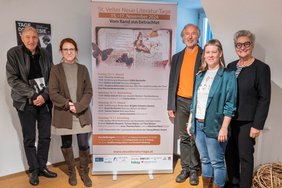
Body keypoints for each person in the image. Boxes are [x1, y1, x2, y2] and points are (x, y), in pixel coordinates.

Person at [6, 26, 57, 186]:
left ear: (38, 38)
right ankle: (33, 170)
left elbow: (53, 77)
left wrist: (45, 95)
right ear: (22, 38)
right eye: (27, 37)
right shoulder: (14, 53)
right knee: (29, 139)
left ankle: (42, 167)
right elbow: (13, 79)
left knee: (45, 137)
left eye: (34, 37)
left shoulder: (45, 54)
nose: (31, 40)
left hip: (45, 101)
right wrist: (34, 95)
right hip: (25, 103)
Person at [186, 39, 237, 188]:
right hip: (198, 124)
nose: (210, 55)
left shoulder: (228, 75)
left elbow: (230, 104)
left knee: (217, 162)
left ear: (220, 53)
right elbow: (195, 101)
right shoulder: (200, 75)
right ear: (204, 55)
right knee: (205, 160)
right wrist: (190, 121)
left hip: (215, 126)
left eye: (214, 52)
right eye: (207, 52)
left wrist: (224, 127)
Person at [225, 30, 271, 188]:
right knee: (230, 156)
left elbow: (264, 99)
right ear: (235, 47)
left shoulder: (261, 68)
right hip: (228, 120)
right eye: (238, 45)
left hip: (247, 122)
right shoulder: (230, 67)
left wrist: (257, 125)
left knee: (245, 157)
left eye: (246, 44)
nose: (242, 47)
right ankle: (233, 184)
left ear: (252, 45)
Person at [49, 38, 93, 187]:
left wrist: (78, 106)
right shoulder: (56, 69)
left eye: (71, 49)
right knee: (66, 143)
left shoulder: (83, 69)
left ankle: (84, 172)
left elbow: (89, 91)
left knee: (83, 144)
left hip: (81, 113)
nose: (69, 52)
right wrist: (68, 104)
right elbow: (53, 93)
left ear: (76, 51)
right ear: (61, 51)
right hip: (64, 113)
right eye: (65, 49)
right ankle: (72, 172)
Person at [167, 23, 202, 185]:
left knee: (194, 136)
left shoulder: (204, 55)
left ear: (198, 36)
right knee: (184, 137)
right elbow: (172, 82)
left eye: (193, 33)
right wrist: (170, 105)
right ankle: (185, 168)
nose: (190, 36)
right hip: (180, 101)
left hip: (198, 103)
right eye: (187, 34)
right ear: (182, 37)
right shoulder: (177, 57)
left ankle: (194, 170)